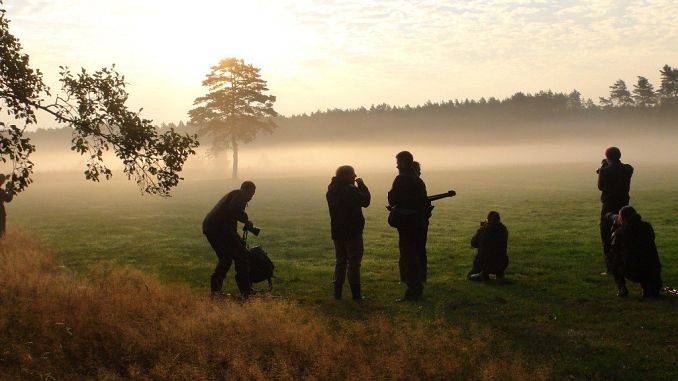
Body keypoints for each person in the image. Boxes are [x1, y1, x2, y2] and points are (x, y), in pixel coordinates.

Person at [202, 181, 256, 298]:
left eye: (253, 195)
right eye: (251, 194)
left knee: (226, 258)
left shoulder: (234, 195)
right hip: (218, 229)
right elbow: (234, 210)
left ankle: (216, 292)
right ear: (245, 190)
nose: (251, 197)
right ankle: (246, 293)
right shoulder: (239, 195)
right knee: (242, 257)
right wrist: (246, 221)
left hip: (211, 227)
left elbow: (230, 216)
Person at [388, 151, 428, 302]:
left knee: (408, 257)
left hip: (407, 224)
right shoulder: (418, 180)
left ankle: (413, 291)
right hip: (418, 223)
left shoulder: (401, 179)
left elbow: (393, 199)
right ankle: (417, 286)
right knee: (417, 254)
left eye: (398, 162)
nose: (397, 165)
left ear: (404, 163)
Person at [326, 165, 371, 300]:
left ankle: (337, 293)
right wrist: (362, 185)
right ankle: (356, 295)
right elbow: (366, 201)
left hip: (337, 231)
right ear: (345, 176)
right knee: (354, 263)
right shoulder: (350, 190)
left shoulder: (331, 190)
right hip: (352, 232)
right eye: (352, 174)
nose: (355, 176)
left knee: (340, 262)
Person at [609, 206, 662, 298]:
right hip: (652, 269)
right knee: (644, 255)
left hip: (633, 271)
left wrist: (614, 229)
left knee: (613, 259)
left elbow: (614, 249)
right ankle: (647, 288)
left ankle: (622, 288)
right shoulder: (647, 226)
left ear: (622, 218)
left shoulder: (620, 232)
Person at [597, 147, 633, 272]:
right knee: (624, 231)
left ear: (607, 156)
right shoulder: (629, 169)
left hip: (609, 205)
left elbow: (600, 187)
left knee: (606, 233)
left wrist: (602, 169)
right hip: (624, 205)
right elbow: (622, 168)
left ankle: (611, 266)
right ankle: (627, 262)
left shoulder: (605, 171)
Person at [468, 211, 509, 281]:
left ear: (488, 219)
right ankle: (499, 273)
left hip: (484, 263)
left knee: (470, 276)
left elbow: (473, 243)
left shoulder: (483, 230)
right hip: (502, 262)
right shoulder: (503, 229)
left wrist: (481, 228)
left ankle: (481, 275)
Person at [412, 161, 431, 283]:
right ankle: (420, 277)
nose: (419, 172)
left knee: (416, 250)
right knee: (420, 250)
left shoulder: (415, 182)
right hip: (420, 221)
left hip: (416, 221)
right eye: (418, 170)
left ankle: (416, 278)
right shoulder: (418, 182)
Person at [0, 174, 14, 238]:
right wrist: (10, 189)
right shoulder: (1, 191)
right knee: (2, 232)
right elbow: (8, 199)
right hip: (0, 213)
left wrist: (7, 189)